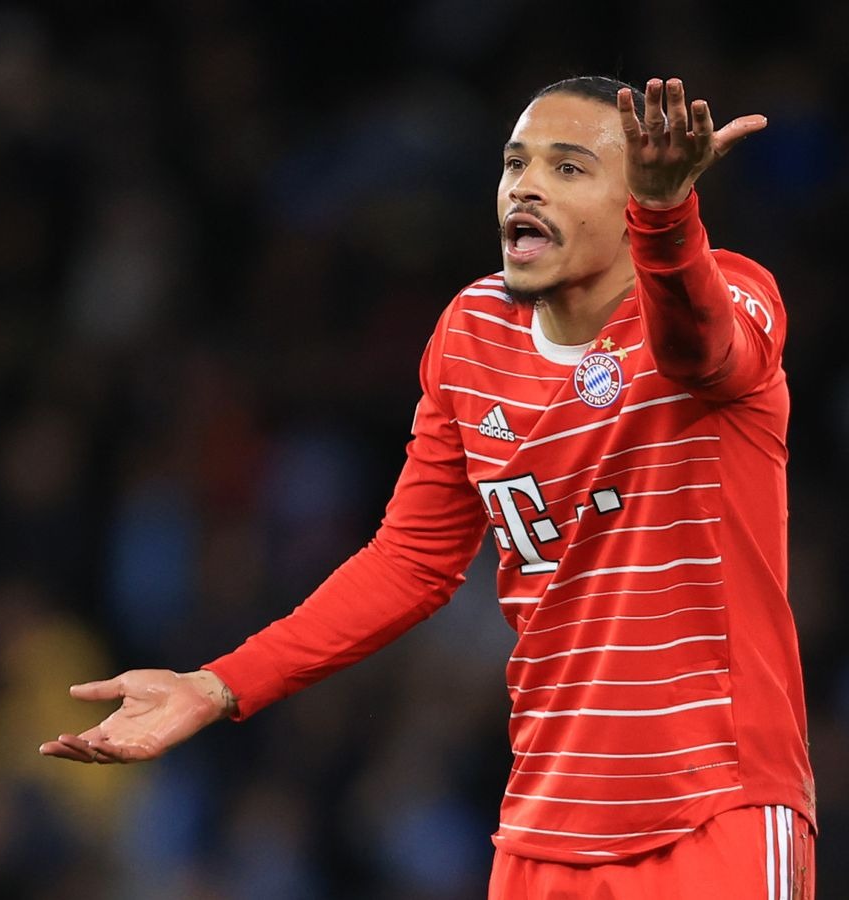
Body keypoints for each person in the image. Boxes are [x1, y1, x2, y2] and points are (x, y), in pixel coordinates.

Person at [42, 76, 814, 898]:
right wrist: (220, 683)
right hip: (545, 830)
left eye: (569, 168)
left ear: (641, 198)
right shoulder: (472, 334)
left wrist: (669, 226)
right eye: (516, 163)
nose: (526, 185)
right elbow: (411, 561)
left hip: (714, 812)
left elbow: (704, 352)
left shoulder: (735, 292)